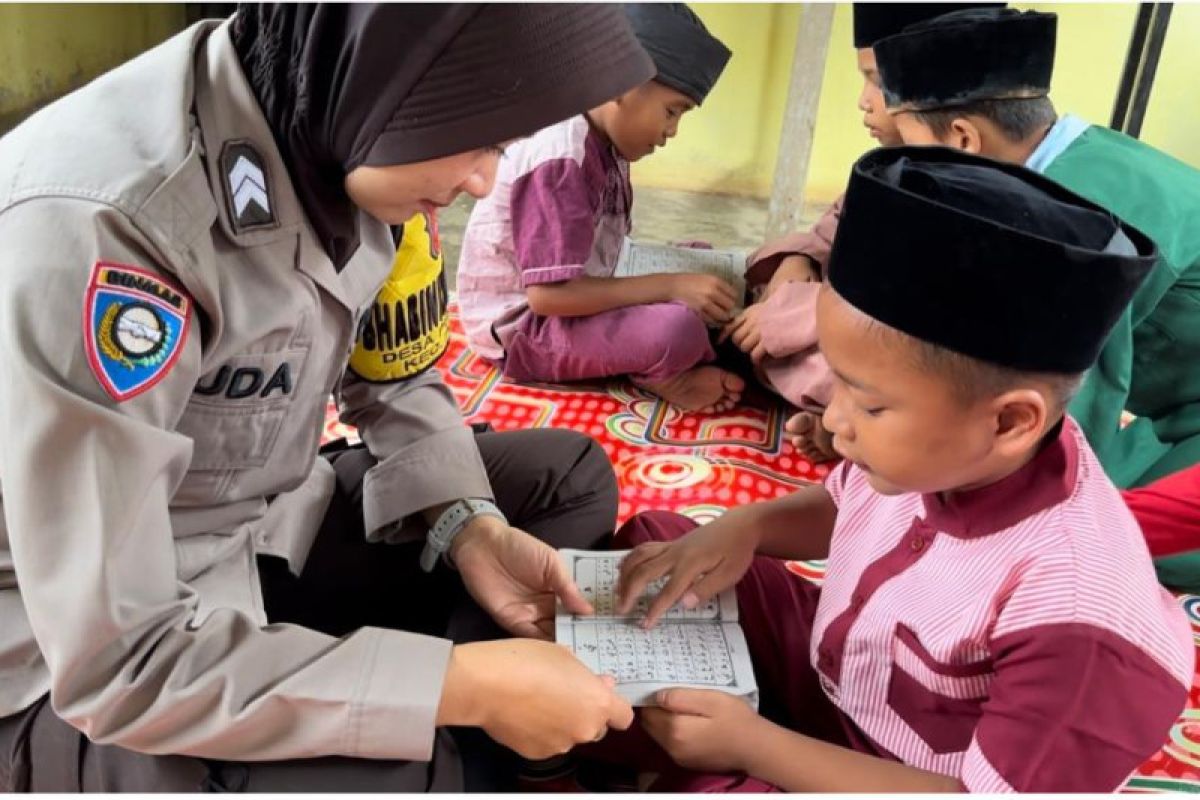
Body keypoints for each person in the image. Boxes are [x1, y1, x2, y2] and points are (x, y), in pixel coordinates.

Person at [0, 4, 659, 791]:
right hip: (68, 657)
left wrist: (468, 529)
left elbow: (396, 374)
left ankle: (463, 712)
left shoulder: (333, 122)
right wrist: (461, 688)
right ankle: (459, 735)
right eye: (482, 140)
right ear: (391, 77)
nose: (484, 181)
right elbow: (120, 662)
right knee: (397, 770)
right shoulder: (113, 228)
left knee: (565, 476)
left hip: (256, 535)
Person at [603, 147, 1193, 792]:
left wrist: (755, 747)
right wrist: (746, 526)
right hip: (848, 677)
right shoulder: (963, 450)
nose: (834, 421)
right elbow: (845, 504)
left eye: (871, 402)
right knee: (663, 554)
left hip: (905, 775)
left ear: (1008, 420)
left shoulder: (1082, 626)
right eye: (840, 385)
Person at [875, 7, 1200, 494]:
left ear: (963, 139)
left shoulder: (1078, 223)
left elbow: (1067, 406)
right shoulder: (1088, 156)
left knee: (1095, 527)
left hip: (1185, 422)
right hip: (1177, 411)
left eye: (910, 143)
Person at [730, 3, 1001, 464]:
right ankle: (850, 415)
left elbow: (929, 322)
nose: (863, 100)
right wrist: (796, 266)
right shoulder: (890, 167)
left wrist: (801, 313)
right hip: (847, 328)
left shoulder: (991, 197)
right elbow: (823, 235)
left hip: (904, 358)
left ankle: (853, 416)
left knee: (878, 384)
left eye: (877, 80)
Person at [456, 4, 741, 413]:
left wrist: (679, 278)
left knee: (703, 261)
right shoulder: (559, 155)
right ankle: (668, 374)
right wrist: (670, 286)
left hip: (582, 287)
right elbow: (548, 297)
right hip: (526, 330)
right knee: (676, 327)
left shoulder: (605, 143)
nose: (673, 131)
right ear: (621, 82)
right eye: (672, 110)